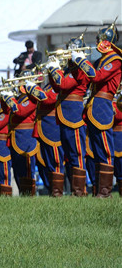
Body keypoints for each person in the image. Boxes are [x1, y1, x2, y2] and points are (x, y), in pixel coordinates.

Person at [74, 23, 120, 197]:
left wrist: (82, 60)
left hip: (103, 105)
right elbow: (86, 80)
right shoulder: (100, 60)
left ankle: (105, 192)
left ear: (107, 41)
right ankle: (98, 190)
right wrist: (74, 64)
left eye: (99, 39)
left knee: (105, 149)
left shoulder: (115, 59)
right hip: (94, 105)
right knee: (97, 150)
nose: (96, 42)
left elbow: (97, 76)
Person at [45, 38, 90, 196]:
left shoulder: (80, 71)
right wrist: (52, 71)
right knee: (69, 154)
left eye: (71, 49)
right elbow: (57, 87)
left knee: (77, 152)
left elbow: (63, 84)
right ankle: (71, 190)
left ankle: (80, 190)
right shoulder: (70, 71)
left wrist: (56, 70)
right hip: (64, 115)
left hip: (73, 115)